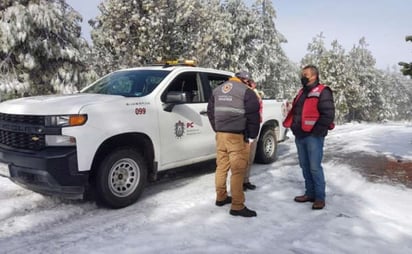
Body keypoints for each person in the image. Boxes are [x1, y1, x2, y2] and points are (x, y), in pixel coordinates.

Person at [207, 71, 260, 217]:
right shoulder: (246, 92)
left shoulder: (217, 90)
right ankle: (237, 205)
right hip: (237, 136)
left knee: (221, 167)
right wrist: (252, 136)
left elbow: (210, 111)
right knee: (238, 171)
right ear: (245, 80)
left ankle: (221, 197)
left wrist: (217, 128)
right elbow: (253, 116)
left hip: (221, 135)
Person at [283, 65, 335, 210]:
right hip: (300, 135)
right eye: (302, 74)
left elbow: (328, 114)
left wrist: (316, 131)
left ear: (314, 76)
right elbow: (295, 112)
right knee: (304, 166)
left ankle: (319, 197)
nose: (302, 76)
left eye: (305, 74)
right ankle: (309, 193)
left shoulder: (323, 91)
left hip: (314, 136)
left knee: (314, 167)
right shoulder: (301, 92)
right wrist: (294, 127)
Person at [243, 79, 263, 191]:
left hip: (254, 127)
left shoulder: (255, 94)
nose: (252, 85)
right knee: (243, 158)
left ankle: (246, 180)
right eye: (249, 83)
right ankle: (239, 182)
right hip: (245, 128)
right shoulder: (243, 94)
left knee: (250, 157)